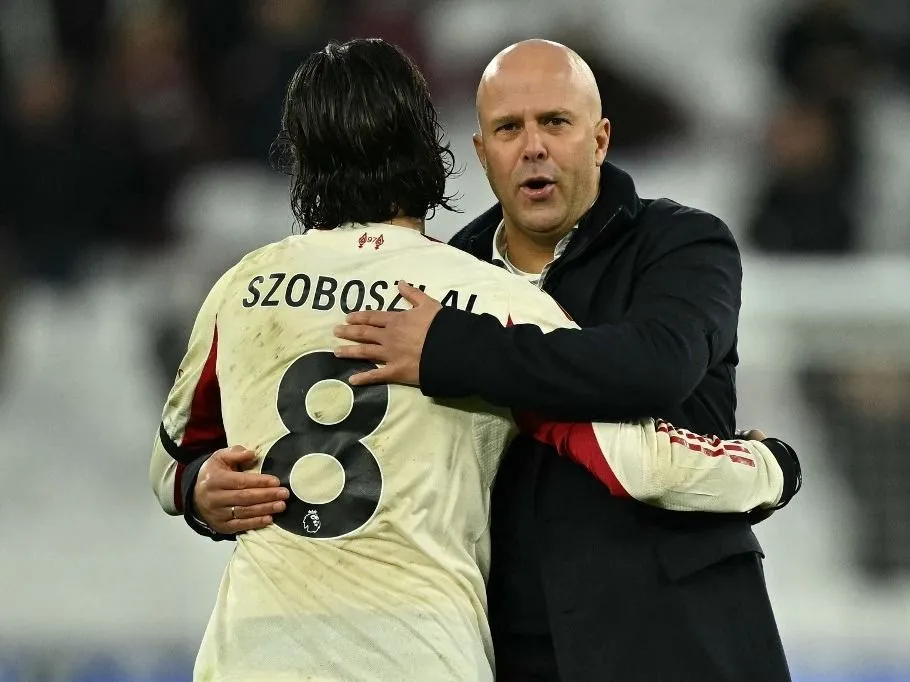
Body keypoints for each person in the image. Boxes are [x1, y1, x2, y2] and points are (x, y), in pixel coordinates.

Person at [150, 39, 801, 681]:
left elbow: (173, 462)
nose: (534, 146)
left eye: (555, 122)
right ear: (457, 153)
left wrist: (199, 488)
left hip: (253, 653)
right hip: (431, 653)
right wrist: (769, 467)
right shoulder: (474, 289)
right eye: (510, 128)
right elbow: (642, 461)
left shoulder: (244, 286)